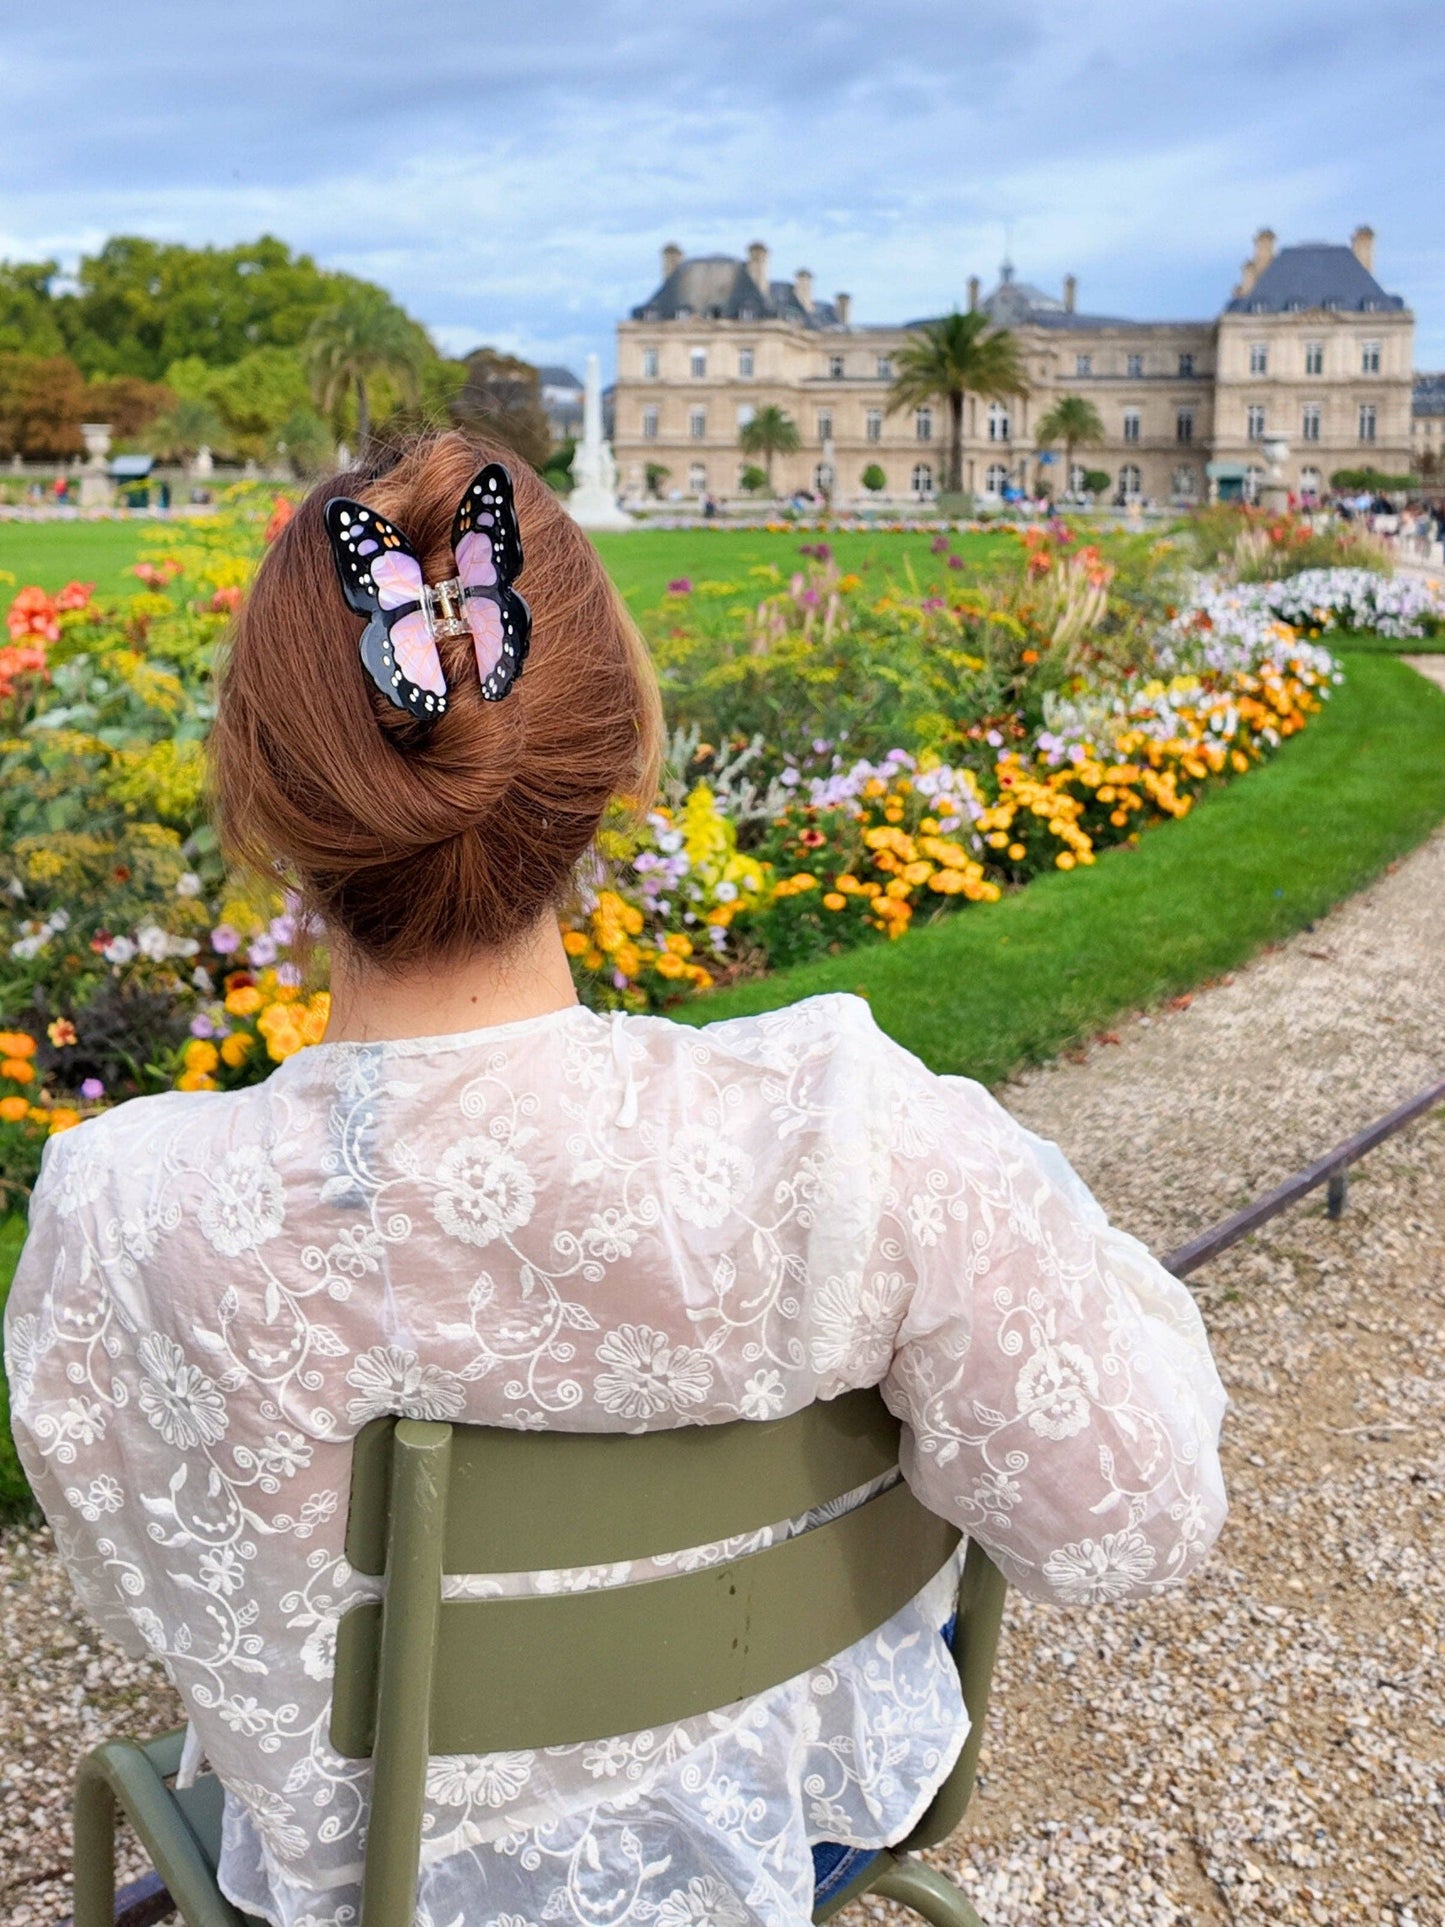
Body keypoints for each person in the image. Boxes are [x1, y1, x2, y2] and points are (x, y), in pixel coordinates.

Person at [7, 430, 1227, 1927]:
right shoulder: (849, 1136)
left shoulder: (132, 1209)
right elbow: (1129, 1518)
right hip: (779, 1819)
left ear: (262, 797)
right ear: (624, 750)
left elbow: (149, 1605)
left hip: (359, 1880)